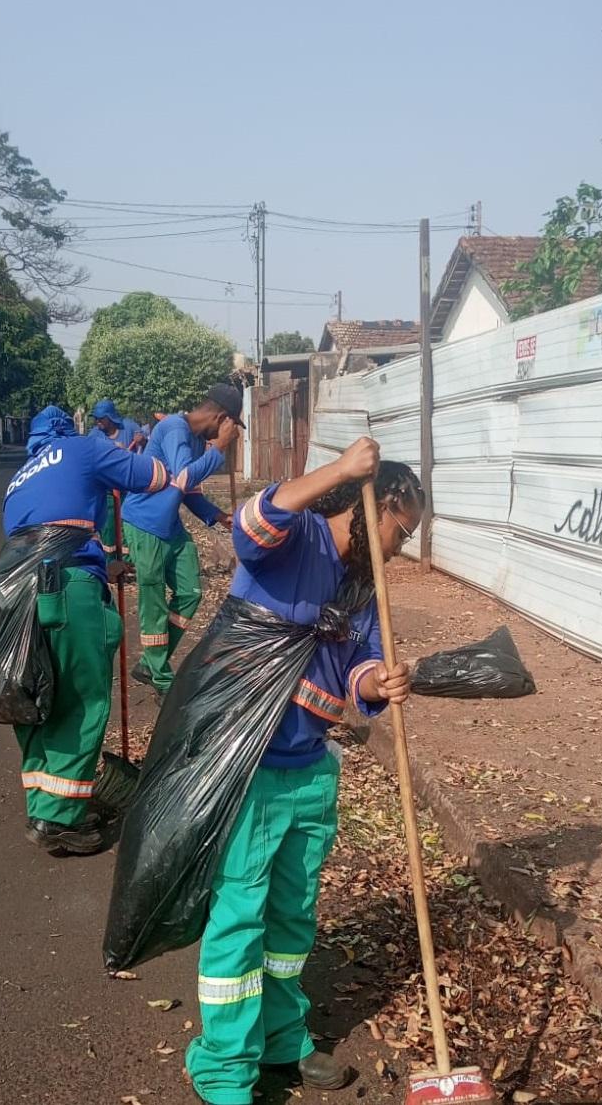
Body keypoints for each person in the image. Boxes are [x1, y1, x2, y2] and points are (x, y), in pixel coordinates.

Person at [185, 438, 424, 1105]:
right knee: (240, 917)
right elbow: (253, 522)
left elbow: (361, 672)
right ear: (374, 506)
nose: (400, 547)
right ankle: (225, 1067)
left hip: (310, 767)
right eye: (399, 531)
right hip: (249, 764)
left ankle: (282, 1039)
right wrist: (342, 470)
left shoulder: (362, 587)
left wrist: (384, 678)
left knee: (292, 919)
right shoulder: (297, 540)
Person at [2, 404, 169, 854]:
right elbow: (154, 476)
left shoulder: (20, 477)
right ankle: (59, 821)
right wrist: (132, 449)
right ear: (68, 431)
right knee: (80, 698)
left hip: (18, 597)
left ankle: (45, 805)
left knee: (41, 698)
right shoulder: (81, 450)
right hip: (68, 588)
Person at [121, 384, 242, 697]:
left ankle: (151, 663)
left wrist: (219, 516)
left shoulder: (198, 440)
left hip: (170, 525)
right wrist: (220, 449)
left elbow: (187, 491)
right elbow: (185, 476)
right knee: (154, 602)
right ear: (221, 417)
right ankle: (162, 680)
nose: (228, 432)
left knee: (190, 592)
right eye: (229, 426)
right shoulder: (174, 427)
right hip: (146, 523)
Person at [89, 399, 147, 554]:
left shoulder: (129, 427)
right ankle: (111, 562)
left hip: (129, 489)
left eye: (101, 418)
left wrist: (143, 441)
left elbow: (144, 442)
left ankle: (128, 562)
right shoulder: (94, 435)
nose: (97, 421)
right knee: (108, 525)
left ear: (110, 417)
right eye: (96, 418)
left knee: (128, 523)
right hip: (107, 489)